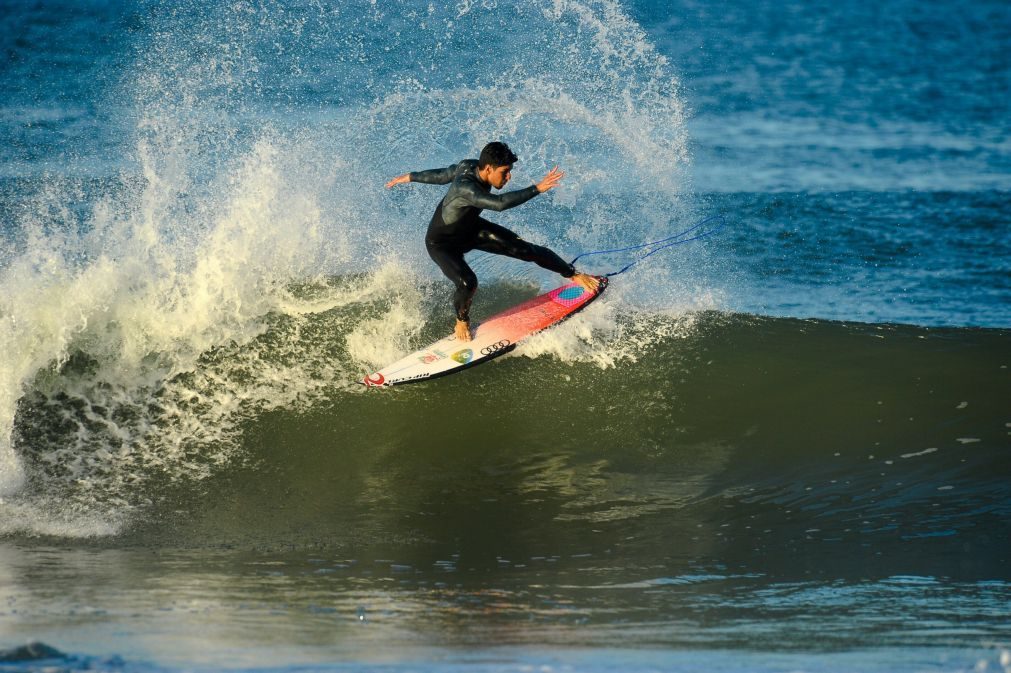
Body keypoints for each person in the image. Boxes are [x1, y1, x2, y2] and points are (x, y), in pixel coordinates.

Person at [385, 141, 601, 342]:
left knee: (524, 249)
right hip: (442, 244)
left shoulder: (469, 166)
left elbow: (443, 174)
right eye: (505, 172)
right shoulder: (466, 188)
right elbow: (498, 203)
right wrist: (536, 188)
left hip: (470, 229)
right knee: (467, 283)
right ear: (488, 168)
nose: (508, 178)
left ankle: (573, 273)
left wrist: (411, 176)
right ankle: (461, 321)